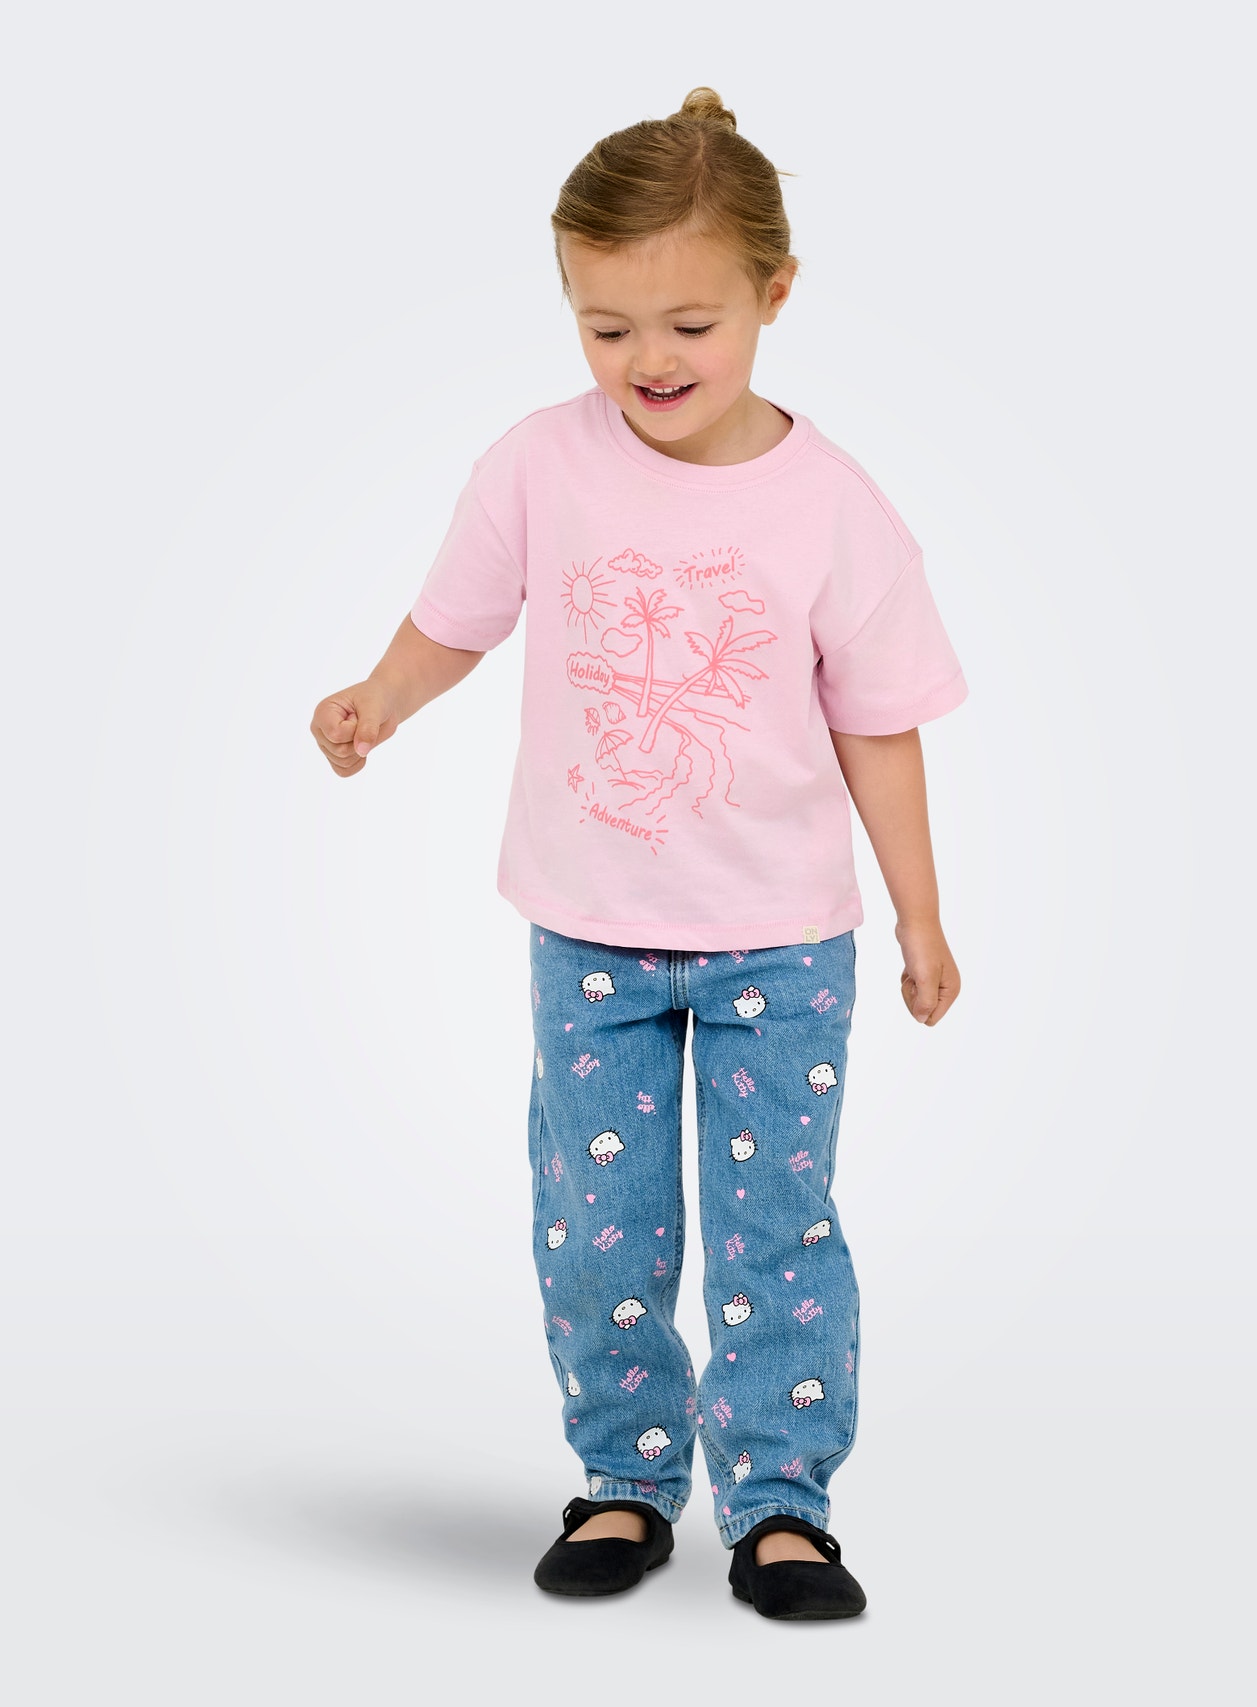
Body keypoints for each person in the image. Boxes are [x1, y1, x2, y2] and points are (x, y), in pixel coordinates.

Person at [310, 86, 968, 1622]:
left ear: (774, 294)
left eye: (689, 324)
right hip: (591, 928)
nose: (648, 362)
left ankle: (783, 1501)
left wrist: (923, 916)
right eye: (606, 328)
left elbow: (880, 724)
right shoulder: (540, 466)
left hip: (781, 944)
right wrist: (380, 700)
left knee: (775, 1224)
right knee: (599, 1230)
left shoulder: (835, 507)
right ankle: (624, 1476)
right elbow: (458, 617)